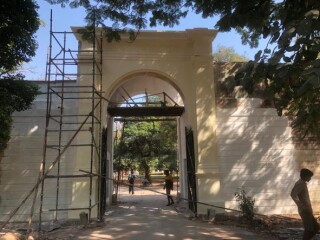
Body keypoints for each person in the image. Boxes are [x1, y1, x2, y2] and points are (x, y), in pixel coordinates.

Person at [291, 168, 319, 240]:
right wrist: (301, 205)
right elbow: (293, 194)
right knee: (309, 229)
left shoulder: (302, 183)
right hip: (304, 210)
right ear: (305, 176)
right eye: (309, 177)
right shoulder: (300, 184)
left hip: (307, 210)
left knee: (316, 227)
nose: (310, 178)